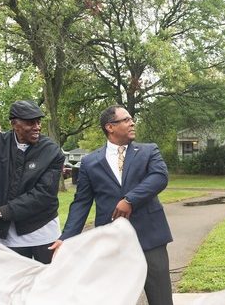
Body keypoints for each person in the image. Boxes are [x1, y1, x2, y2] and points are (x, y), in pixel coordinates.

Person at [50, 105, 173, 305]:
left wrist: (130, 200)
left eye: (131, 119)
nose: (132, 123)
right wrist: (66, 238)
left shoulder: (149, 150)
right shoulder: (90, 162)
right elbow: (81, 203)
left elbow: (159, 177)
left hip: (150, 237)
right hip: (112, 242)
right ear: (110, 127)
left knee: (161, 299)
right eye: (126, 120)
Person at [0, 100, 65, 264]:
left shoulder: (52, 151)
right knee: (13, 282)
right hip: (7, 233)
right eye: (30, 123)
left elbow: (44, 194)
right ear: (14, 124)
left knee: (48, 281)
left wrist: (0, 212)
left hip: (41, 228)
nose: (37, 127)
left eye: (39, 122)